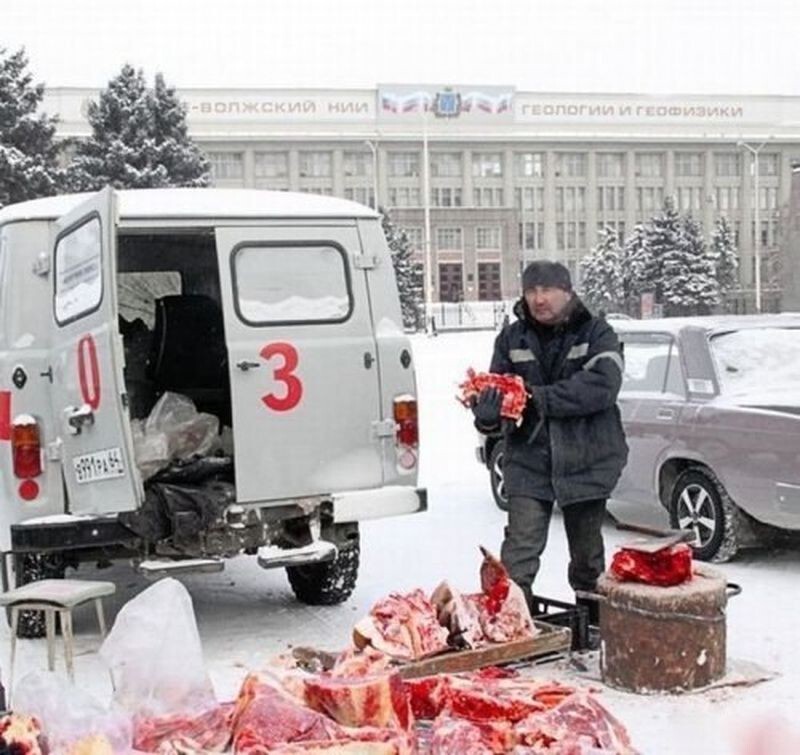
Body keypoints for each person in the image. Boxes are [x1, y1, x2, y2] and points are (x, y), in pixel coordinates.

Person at [472, 261, 628, 623]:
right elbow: (497, 394)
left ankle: (593, 624)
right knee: (519, 554)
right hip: (529, 459)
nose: (539, 298)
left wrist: (538, 397)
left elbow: (603, 387)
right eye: (531, 290)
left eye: (547, 290)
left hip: (588, 456)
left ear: (567, 292)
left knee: (587, 555)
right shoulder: (511, 339)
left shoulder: (596, 332)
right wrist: (487, 414)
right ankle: (512, 629)